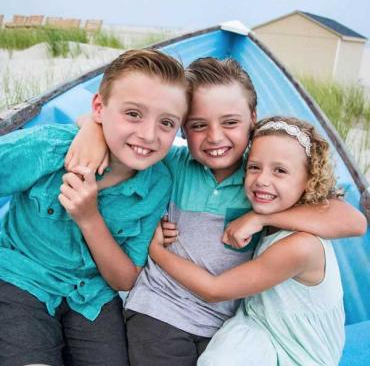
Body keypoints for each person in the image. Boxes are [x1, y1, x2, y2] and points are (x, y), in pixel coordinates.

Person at [66, 57, 366, 366]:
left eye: (230, 122)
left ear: (253, 118)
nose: (215, 137)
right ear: (183, 125)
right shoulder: (173, 162)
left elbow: (354, 221)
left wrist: (260, 217)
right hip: (161, 311)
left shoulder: (262, 177)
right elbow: (119, 132)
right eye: (198, 125)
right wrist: (91, 127)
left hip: (224, 323)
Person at [0, 49, 189, 366]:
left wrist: (89, 218)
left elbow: (125, 280)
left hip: (90, 296)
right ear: (99, 108)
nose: (148, 134)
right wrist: (89, 128)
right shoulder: (50, 147)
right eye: (133, 114)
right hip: (21, 277)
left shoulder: (158, 186)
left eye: (167, 123)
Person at [150, 116, 349, 366]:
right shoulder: (267, 213)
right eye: (254, 167)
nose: (263, 180)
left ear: (309, 181)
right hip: (257, 328)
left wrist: (155, 250)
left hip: (296, 353)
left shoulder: (301, 245)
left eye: (280, 171)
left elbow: (215, 290)